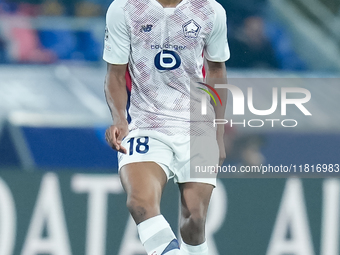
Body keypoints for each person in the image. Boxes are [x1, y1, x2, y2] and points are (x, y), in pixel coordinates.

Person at [103, 0, 229, 254]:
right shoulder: (124, 8)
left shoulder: (211, 10)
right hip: (146, 122)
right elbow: (115, 73)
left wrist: (218, 133)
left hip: (196, 125)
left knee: (194, 221)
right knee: (139, 203)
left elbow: (216, 70)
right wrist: (119, 118)